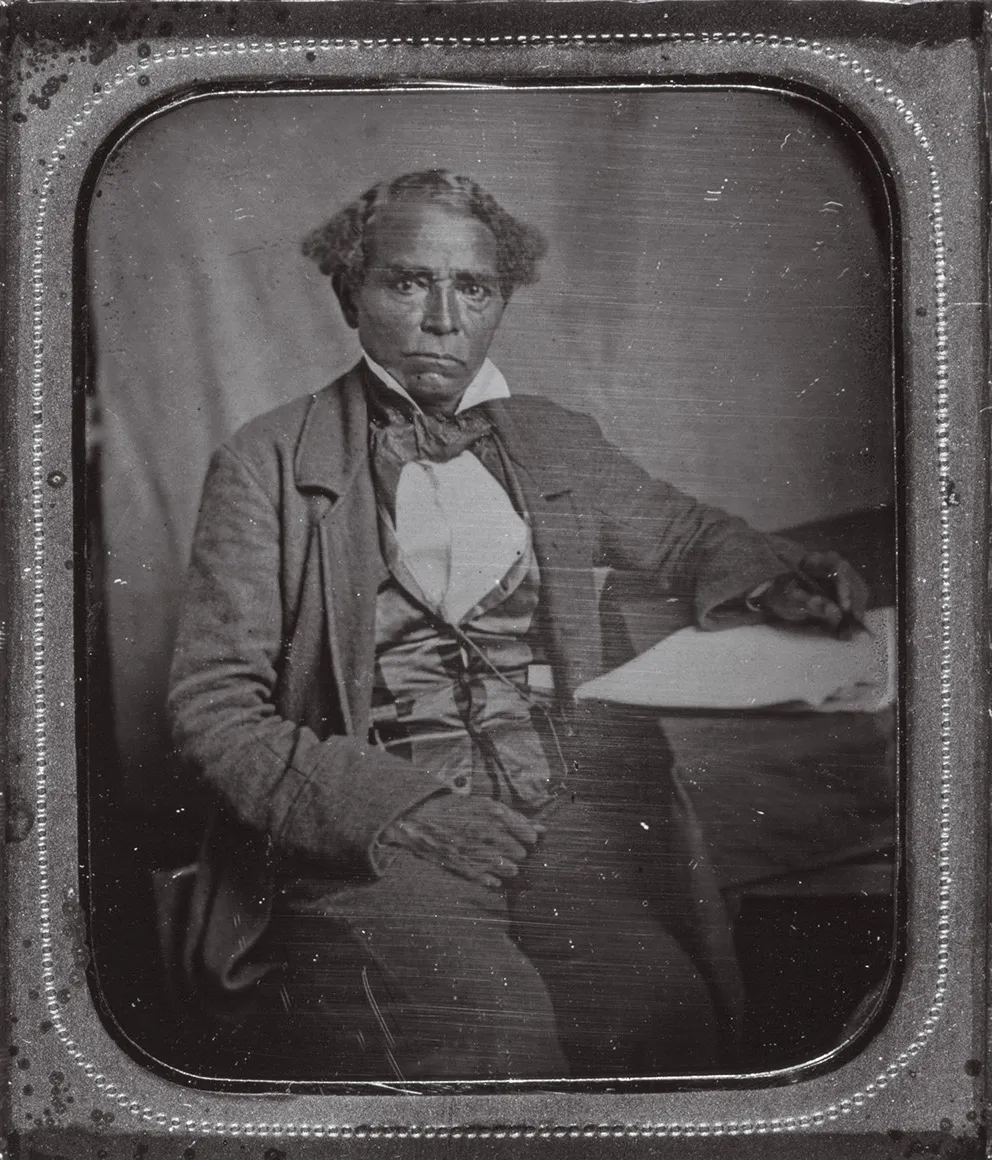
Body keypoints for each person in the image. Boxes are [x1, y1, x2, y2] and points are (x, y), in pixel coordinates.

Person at [167, 169, 867, 1081]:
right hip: (370, 847)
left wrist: (773, 582)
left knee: (665, 1022)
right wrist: (402, 812)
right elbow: (214, 710)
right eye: (410, 281)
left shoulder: (552, 437)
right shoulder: (263, 462)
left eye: (475, 288)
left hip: (551, 828)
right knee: (491, 1045)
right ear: (352, 292)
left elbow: (688, 533)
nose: (444, 318)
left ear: (500, 300)